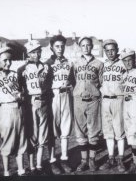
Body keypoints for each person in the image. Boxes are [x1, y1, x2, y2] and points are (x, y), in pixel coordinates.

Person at [0, 47, 27, 176]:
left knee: (20, 140)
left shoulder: (14, 74)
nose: (8, 63)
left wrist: (20, 95)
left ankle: (21, 170)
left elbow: (20, 91)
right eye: (5, 60)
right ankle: (6, 172)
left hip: (18, 108)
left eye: (10, 60)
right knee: (7, 142)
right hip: (4, 109)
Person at [18, 40, 51, 175]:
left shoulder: (46, 67)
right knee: (32, 134)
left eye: (38, 51)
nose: (36, 54)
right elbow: (19, 88)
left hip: (43, 102)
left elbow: (49, 85)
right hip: (30, 102)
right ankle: (31, 165)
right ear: (28, 53)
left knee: (43, 135)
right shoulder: (22, 69)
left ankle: (38, 165)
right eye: (33, 52)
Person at [72, 36, 103, 172]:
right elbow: (73, 81)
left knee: (93, 131)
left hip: (93, 100)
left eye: (88, 45)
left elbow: (101, 82)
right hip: (79, 100)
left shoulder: (99, 63)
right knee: (80, 131)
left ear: (91, 46)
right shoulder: (75, 63)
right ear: (80, 47)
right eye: (83, 45)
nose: (86, 48)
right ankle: (83, 160)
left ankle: (92, 160)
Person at [45, 35, 75, 174]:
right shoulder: (47, 63)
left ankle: (64, 159)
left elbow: (73, 81)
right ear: (51, 47)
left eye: (62, 46)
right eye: (57, 46)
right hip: (53, 96)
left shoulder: (69, 62)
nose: (60, 48)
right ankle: (52, 161)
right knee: (52, 130)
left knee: (66, 127)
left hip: (66, 95)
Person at [99, 39, 126, 172]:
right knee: (108, 131)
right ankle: (111, 158)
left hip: (118, 99)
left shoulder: (123, 64)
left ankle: (120, 159)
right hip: (105, 101)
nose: (110, 53)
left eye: (112, 50)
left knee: (119, 130)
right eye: (107, 50)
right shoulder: (103, 65)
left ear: (117, 50)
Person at [120, 48, 136, 172]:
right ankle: (135, 160)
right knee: (129, 131)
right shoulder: (124, 74)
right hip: (127, 103)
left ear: (134, 59)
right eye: (125, 60)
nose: (128, 62)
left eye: (130, 59)